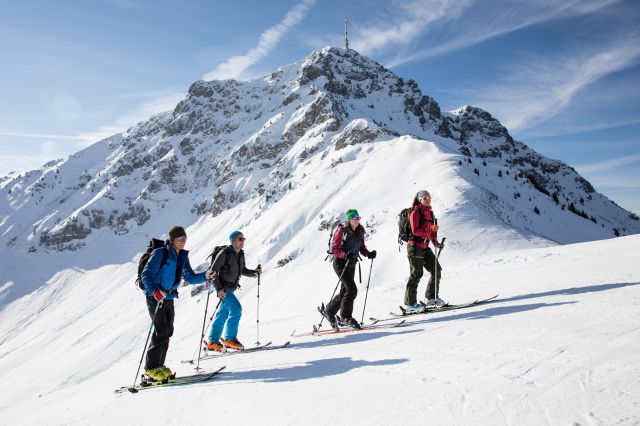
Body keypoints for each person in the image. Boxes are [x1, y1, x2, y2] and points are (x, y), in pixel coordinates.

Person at [141, 226, 208, 381]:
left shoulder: (182, 256)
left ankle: (159, 365)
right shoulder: (160, 253)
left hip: (169, 298)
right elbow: (146, 274)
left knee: (168, 331)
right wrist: (155, 292)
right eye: (179, 238)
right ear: (172, 240)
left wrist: (206, 275)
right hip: (156, 298)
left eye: (184, 238)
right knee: (161, 331)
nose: (183, 241)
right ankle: (150, 369)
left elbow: (189, 277)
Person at [203, 230, 262, 352]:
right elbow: (213, 272)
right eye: (240, 239)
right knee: (236, 308)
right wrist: (219, 289)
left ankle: (212, 342)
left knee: (223, 314)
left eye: (243, 239)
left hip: (231, 288)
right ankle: (230, 339)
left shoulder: (240, 254)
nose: (242, 241)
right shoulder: (224, 253)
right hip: (223, 288)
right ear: (233, 240)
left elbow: (242, 270)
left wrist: (254, 272)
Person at [321, 209, 376, 330]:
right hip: (340, 263)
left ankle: (329, 311)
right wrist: (346, 255)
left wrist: (369, 254)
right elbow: (335, 249)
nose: (357, 220)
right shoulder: (342, 230)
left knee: (345, 291)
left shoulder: (360, 231)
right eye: (355, 218)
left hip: (351, 264)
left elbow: (361, 247)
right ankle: (346, 317)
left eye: (358, 218)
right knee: (351, 289)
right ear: (349, 219)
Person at [404, 190, 445, 311]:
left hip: (425, 247)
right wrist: (430, 228)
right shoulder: (415, 213)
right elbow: (415, 230)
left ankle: (431, 297)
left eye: (429, 197)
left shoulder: (430, 213)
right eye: (425, 198)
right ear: (420, 199)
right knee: (416, 273)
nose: (428, 199)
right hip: (415, 246)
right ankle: (410, 303)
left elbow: (431, 233)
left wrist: (436, 243)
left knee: (436, 269)